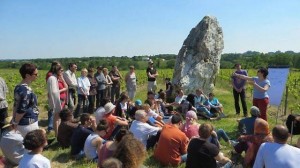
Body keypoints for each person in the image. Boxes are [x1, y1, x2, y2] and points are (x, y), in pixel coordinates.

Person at [12, 63, 39, 137]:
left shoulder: (18, 87)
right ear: (27, 75)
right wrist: (15, 122)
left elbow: (15, 105)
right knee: (32, 146)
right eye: (35, 74)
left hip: (23, 123)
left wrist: (14, 119)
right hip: (28, 124)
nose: (37, 76)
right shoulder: (26, 90)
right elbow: (22, 109)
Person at [47, 64, 64, 137]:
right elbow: (54, 92)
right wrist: (56, 103)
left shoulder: (54, 78)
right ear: (57, 70)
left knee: (57, 117)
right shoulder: (52, 78)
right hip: (56, 100)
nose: (62, 72)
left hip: (57, 99)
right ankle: (57, 134)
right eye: (61, 70)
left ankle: (58, 133)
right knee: (56, 118)